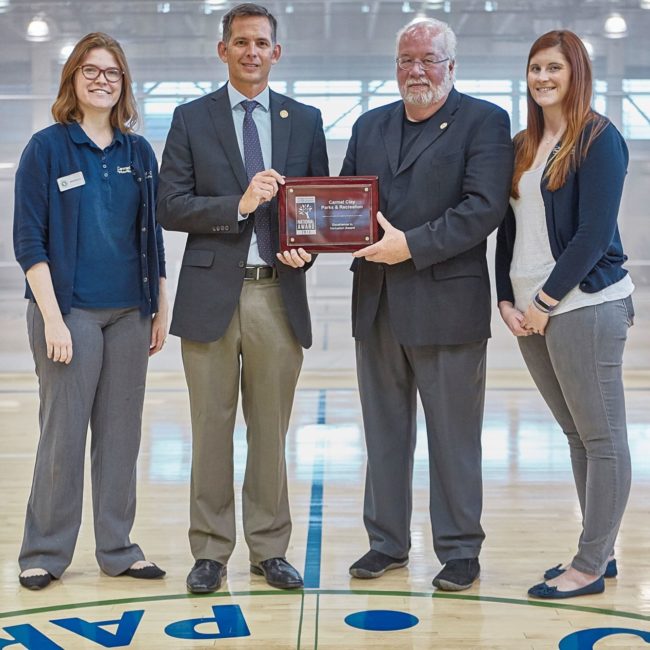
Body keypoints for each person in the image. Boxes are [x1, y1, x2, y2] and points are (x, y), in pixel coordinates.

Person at [157, 3, 329, 593]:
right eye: (241, 42)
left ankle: (269, 548)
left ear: (275, 53)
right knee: (210, 428)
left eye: (262, 43)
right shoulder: (189, 118)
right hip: (210, 294)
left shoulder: (304, 120)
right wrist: (240, 204)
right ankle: (209, 552)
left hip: (276, 296)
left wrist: (307, 248)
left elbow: (317, 211)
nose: (252, 51)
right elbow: (169, 205)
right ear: (222, 50)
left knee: (270, 431)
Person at [341, 17, 513, 591]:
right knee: (384, 434)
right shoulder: (369, 125)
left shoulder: (486, 122)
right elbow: (344, 202)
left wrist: (408, 246)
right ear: (395, 66)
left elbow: (483, 208)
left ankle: (461, 550)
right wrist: (307, 239)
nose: (416, 70)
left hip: (447, 307)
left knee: (454, 438)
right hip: (378, 304)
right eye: (406, 60)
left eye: (428, 59)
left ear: (451, 66)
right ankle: (386, 543)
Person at [13, 32, 168, 590]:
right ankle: (45, 552)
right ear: (73, 80)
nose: (102, 80)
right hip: (69, 311)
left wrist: (160, 304)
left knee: (121, 436)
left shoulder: (138, 154)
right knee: (63, 434)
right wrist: (53, 318)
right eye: (91, 70)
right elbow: (29, 240)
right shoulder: (46, 148)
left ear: (123, 84)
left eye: (113, 73)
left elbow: (151, 237)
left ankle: (118, 548)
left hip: (130, 312)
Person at [495, 30, 634, 599]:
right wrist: (505, 298)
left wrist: (546, 302)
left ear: (576, 72)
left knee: (602, 438)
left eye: (554, 67)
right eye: (535, 68)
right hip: (531, 309)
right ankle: (597, 549)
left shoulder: (599, 138)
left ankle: (591, 563)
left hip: (585, 304)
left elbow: (593, 234)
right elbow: (506, 228)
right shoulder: (523, 143)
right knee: (577, 435)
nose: (543, 78)